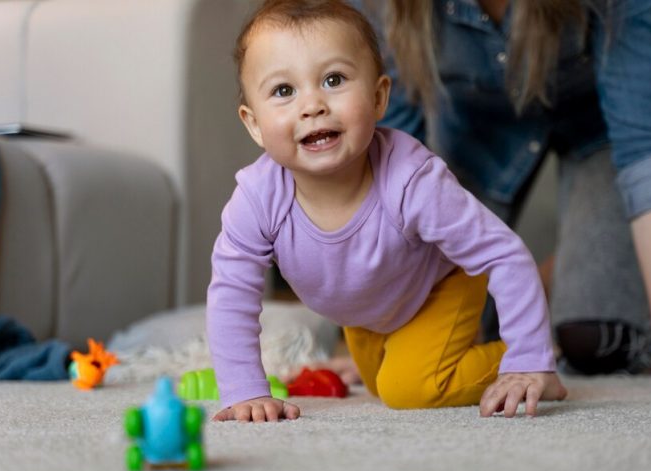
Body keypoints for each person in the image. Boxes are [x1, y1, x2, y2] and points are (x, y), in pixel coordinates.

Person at [349, 0, 651, 396]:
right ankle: (556, 272)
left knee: (592, 340)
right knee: (464, 328)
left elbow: (645, 149)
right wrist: (389, 332)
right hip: (479, 132)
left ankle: (579, 270)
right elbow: (390, 169)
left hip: (601, 128)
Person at [206, 0, 568, 423]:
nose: (312, 105)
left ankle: (534, 359)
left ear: (379, 98)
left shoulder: (412, 180)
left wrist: (529, 359)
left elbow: (503, 253)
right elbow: (231, 294)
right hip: (368, 309)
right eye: (284, 91)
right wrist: (245, 390)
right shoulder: (256, 199)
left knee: (409, 387)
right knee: (379, 383)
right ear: (253, 124)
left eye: (333, 79)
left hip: (440, 286)